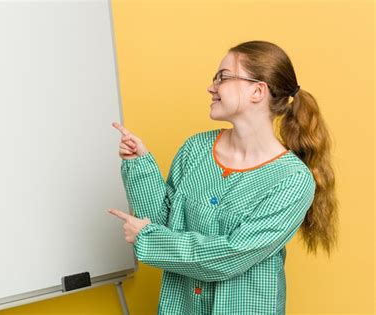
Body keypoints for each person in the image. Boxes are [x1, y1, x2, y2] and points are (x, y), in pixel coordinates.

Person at [108, 40, 339, 315]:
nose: (211, 87)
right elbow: (159, 223)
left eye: (223, 77)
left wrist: (148, 239)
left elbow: (230, 256)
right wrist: (139, 166)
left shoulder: (292, 180)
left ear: (257, 90)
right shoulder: (195, 149)